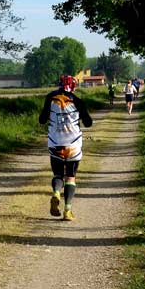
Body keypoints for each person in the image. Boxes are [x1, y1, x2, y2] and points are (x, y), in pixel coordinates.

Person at [39, 74, 93, 221]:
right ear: (73, 86)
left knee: (57, 174)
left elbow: (42, 120)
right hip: (73, 144)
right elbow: (88, 123)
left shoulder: (50, 97)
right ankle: (67, 211)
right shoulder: (77, 101)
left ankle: (56, 192)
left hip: (55, 142)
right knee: (70, 176)